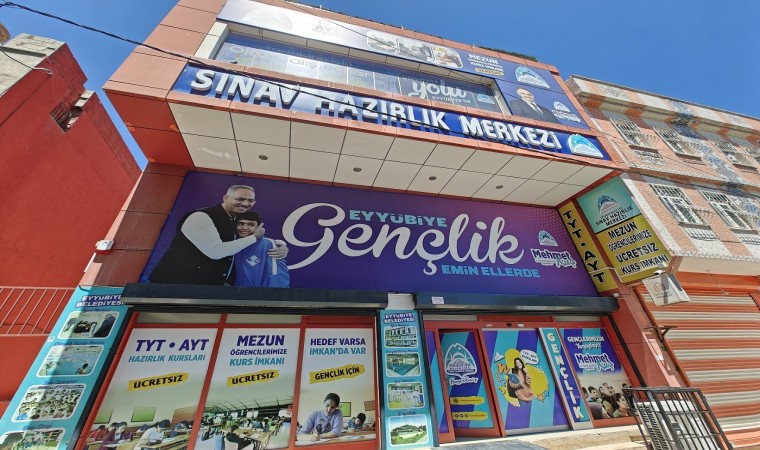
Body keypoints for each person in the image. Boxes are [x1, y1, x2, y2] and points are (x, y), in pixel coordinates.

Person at [149, 185, 287, 285]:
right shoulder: (201, 217)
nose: (245, 204)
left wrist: (279, 246)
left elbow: (242, 242)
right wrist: (254, 237)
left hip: (207, 289)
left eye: (250, 201)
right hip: (174, 286)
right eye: (240, 199)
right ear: (226, 198)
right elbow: (216, 251)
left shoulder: (234, 219)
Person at [233, 211, 290, 287]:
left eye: (250, 225)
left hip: (261, 293)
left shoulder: (267, 244)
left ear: (259, 227)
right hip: (237, 292)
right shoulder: (233, 244)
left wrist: (273, 294)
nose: (244, 228)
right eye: (240, 224)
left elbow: (277, 274)